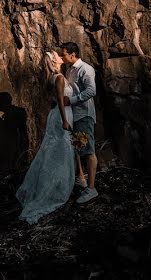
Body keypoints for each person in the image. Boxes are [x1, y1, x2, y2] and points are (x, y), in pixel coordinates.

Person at [15, 51, 78, 224]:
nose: (60, 57)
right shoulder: (58, 78)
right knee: (61, 152)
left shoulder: (54, 77)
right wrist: (65, 121)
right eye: (57, 56)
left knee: (55, 151)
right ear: (53, 61)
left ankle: (55, 183)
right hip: (61, 116)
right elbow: (59, 100)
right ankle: (56, 188)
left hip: (58, 115)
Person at [60, 42, 98, 203]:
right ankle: (81, 178)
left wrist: (72, 100)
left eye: (63, 54)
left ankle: (91, 189)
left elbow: (91, 91)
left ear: (72, 54)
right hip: (73, 115)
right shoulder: (69, 69)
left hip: (84, 114)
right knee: (77, 148)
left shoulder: (85, 69)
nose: (62, 57)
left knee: (88, 150)